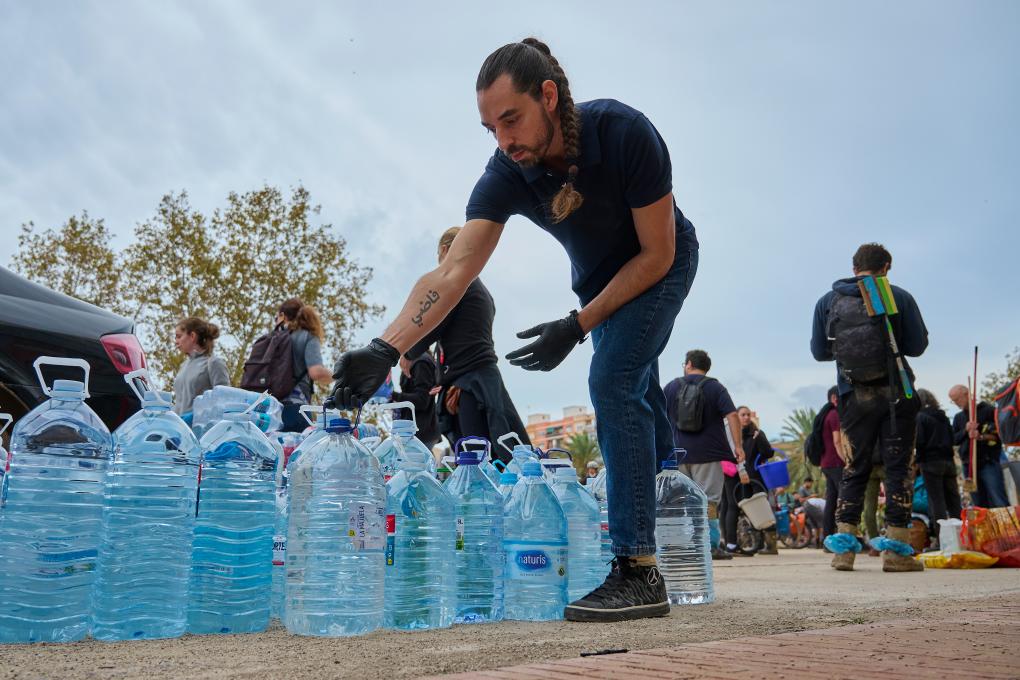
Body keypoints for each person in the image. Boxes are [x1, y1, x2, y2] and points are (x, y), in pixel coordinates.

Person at [329, 38, 701, 622]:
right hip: (597, 285)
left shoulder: (624, 133)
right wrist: (383, 348)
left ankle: (638, 569)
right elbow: (454, 270)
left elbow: (657, 254)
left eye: (511, 119)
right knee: (637, 392)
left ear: (548, 96)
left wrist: (576, 326)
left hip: (661, 264)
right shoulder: (508, 171)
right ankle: (671, 542)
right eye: (490, 129)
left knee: (613, 378)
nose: (504, 140)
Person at [811, 243, 929, 572]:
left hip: (852, 395)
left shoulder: (828, 301)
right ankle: (896, 553)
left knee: (854, 468)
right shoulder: (897, 296)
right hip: (896, 394)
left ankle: (844, 552)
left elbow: (820, 352)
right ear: (886, 267)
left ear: (854, 268)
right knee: (898, 469)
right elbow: (917, 346)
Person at [403, 227, 530, 458]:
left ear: (445, 250)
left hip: (471, 385)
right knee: (490, 454)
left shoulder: (458, 283)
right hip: (478, 381)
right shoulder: (478, 287)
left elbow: (433, 323)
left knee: (475, 459)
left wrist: (407, 353)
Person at [665, 350, 747, 561]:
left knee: (678, 501)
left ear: (689, 364)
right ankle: (709, 546)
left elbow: (658, 415)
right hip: (708, 454)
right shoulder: (715, 388)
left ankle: (679, 545)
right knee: (708, 502)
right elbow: (732, 415)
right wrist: (738, 446)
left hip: (677, 454)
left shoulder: (672, 386)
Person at [276, 299, 332, 432]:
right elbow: (316, 372)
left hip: (269, 410)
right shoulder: (307, 336)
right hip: (295, 408)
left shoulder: (273, 339)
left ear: (283, 316)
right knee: (297, 445)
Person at [949, 384, 1008, 508]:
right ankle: (985, 522)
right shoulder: (959, 418)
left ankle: (1006, 521)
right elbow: (953, 440)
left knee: (998, 499)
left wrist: (980, 436)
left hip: (988, 462)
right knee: (978, 504)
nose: (956, 403)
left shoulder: (988, 410)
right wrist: (965, 430)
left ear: (967, 394)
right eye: (953, 401)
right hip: (968, 465)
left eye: (957, 399)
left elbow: (999, 436)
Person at [915, 389, 962, 533]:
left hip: (930, 462)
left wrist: (917, 459)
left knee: (936, 501)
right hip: (948, 461)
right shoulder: (943, 416)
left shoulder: (920, 417)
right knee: (954, 500)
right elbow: (952, 439)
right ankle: (961, 534)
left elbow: (919, 441)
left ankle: (941, 537)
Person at [172, 316, 230, 416]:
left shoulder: (214, 363)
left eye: (179, 336)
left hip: (203, 425)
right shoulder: (183, 366)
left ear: (192, 336)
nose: (176, 341)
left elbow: (224, 401)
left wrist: (197, 415)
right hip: (179, 424)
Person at [391, 351, 441, 448]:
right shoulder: (414, 359)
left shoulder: (421, 362)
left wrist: (393, 395)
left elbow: (422, 400)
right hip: (415, 431)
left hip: (421, 432)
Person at [819, 386, 847, 540]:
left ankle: (827, 537)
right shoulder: (834, 415)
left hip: (826, 463)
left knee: (831, 501)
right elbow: (837, 442)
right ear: (835, 398)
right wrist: (846, 460)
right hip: (836, 463)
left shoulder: (824, 415)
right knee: (844, 499)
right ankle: (844, 534)